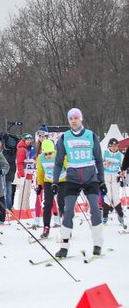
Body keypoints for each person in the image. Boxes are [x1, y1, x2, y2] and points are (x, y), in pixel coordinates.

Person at [52, 108, 106, 258]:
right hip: (73, 180)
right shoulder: (64, 138)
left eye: (76, 117)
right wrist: (55, 182)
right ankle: (63, 247)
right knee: (68, 211)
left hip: (90, 179)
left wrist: (101, 180)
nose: (73, 120)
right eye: (71, 118)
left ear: (81, 119)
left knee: (95, 208)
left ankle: (97, 243)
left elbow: (99, 160)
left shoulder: (91, 135)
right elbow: (57, 163)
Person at [34, 138, 66, 238]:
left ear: (54, 151)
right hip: (48, 181)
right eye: (46, 153)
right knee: (47, 205)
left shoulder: (60, 156)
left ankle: (66, 227)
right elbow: (40, 172)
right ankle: (46, 228)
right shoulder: (40, 158)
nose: (48, 156)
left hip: (61, 180)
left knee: (61, 203)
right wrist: (39, 184)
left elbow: (68, 167)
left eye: (50, 153)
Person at [102, 138, 125, 227]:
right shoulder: (105, 153)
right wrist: (104, 164)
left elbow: (122, 167)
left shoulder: (120, 155)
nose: (114, 148)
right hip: (106, 176)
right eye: (112, 146)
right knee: (108, 196)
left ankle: (121, 216)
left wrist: (122, 173)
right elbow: (99, 163)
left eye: (116, 146)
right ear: (109, 146)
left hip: (115, 177)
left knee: (115, 197)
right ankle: (105, 217)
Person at [14, 133, 35, 215]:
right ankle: (22, 210)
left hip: (28, 173)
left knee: (27, 193)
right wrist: (22, 174)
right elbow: (19, 163)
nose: (29, 141)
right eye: (27, 140)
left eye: (30, 140)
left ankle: (26, 209)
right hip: (24, 174)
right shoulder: (22, 149)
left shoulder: (28, 149)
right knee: (23, 193)